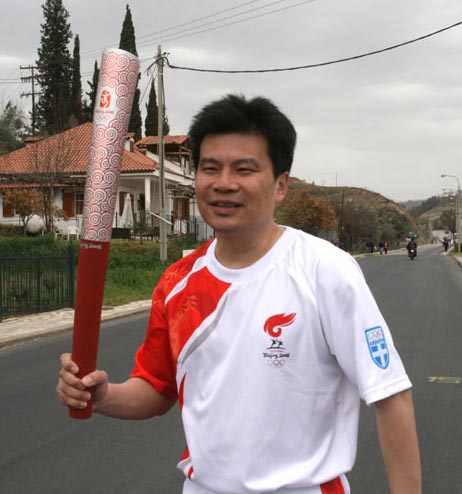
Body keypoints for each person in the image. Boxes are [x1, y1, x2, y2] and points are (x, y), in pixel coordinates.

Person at [56, 94, 421, 494]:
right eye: (210, 168)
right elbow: (156, 390)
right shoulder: (177, 282)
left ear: (281, 185)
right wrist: (102, 396)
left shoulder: (325, 271)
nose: (224, 183)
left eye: (244, 169)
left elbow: (390, 396)